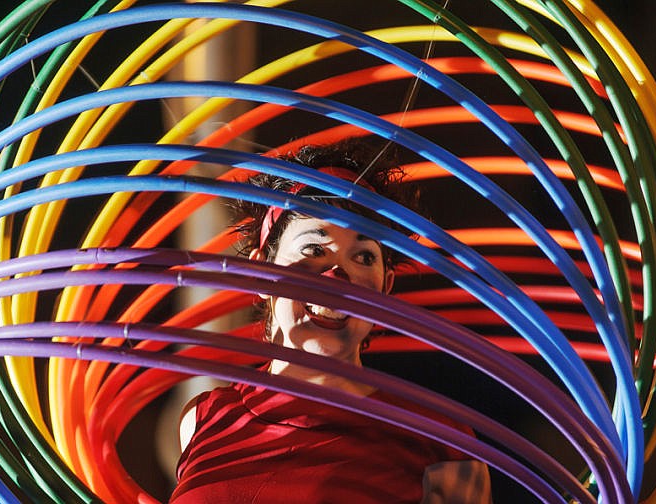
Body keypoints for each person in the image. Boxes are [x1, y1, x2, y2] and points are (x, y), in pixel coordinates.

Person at [169, 139, 492, 503]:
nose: (339, 278)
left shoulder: (443, 442)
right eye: (314, 250)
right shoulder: (204, 418)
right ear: (261, 272)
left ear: (384, 289)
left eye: (364, 258)